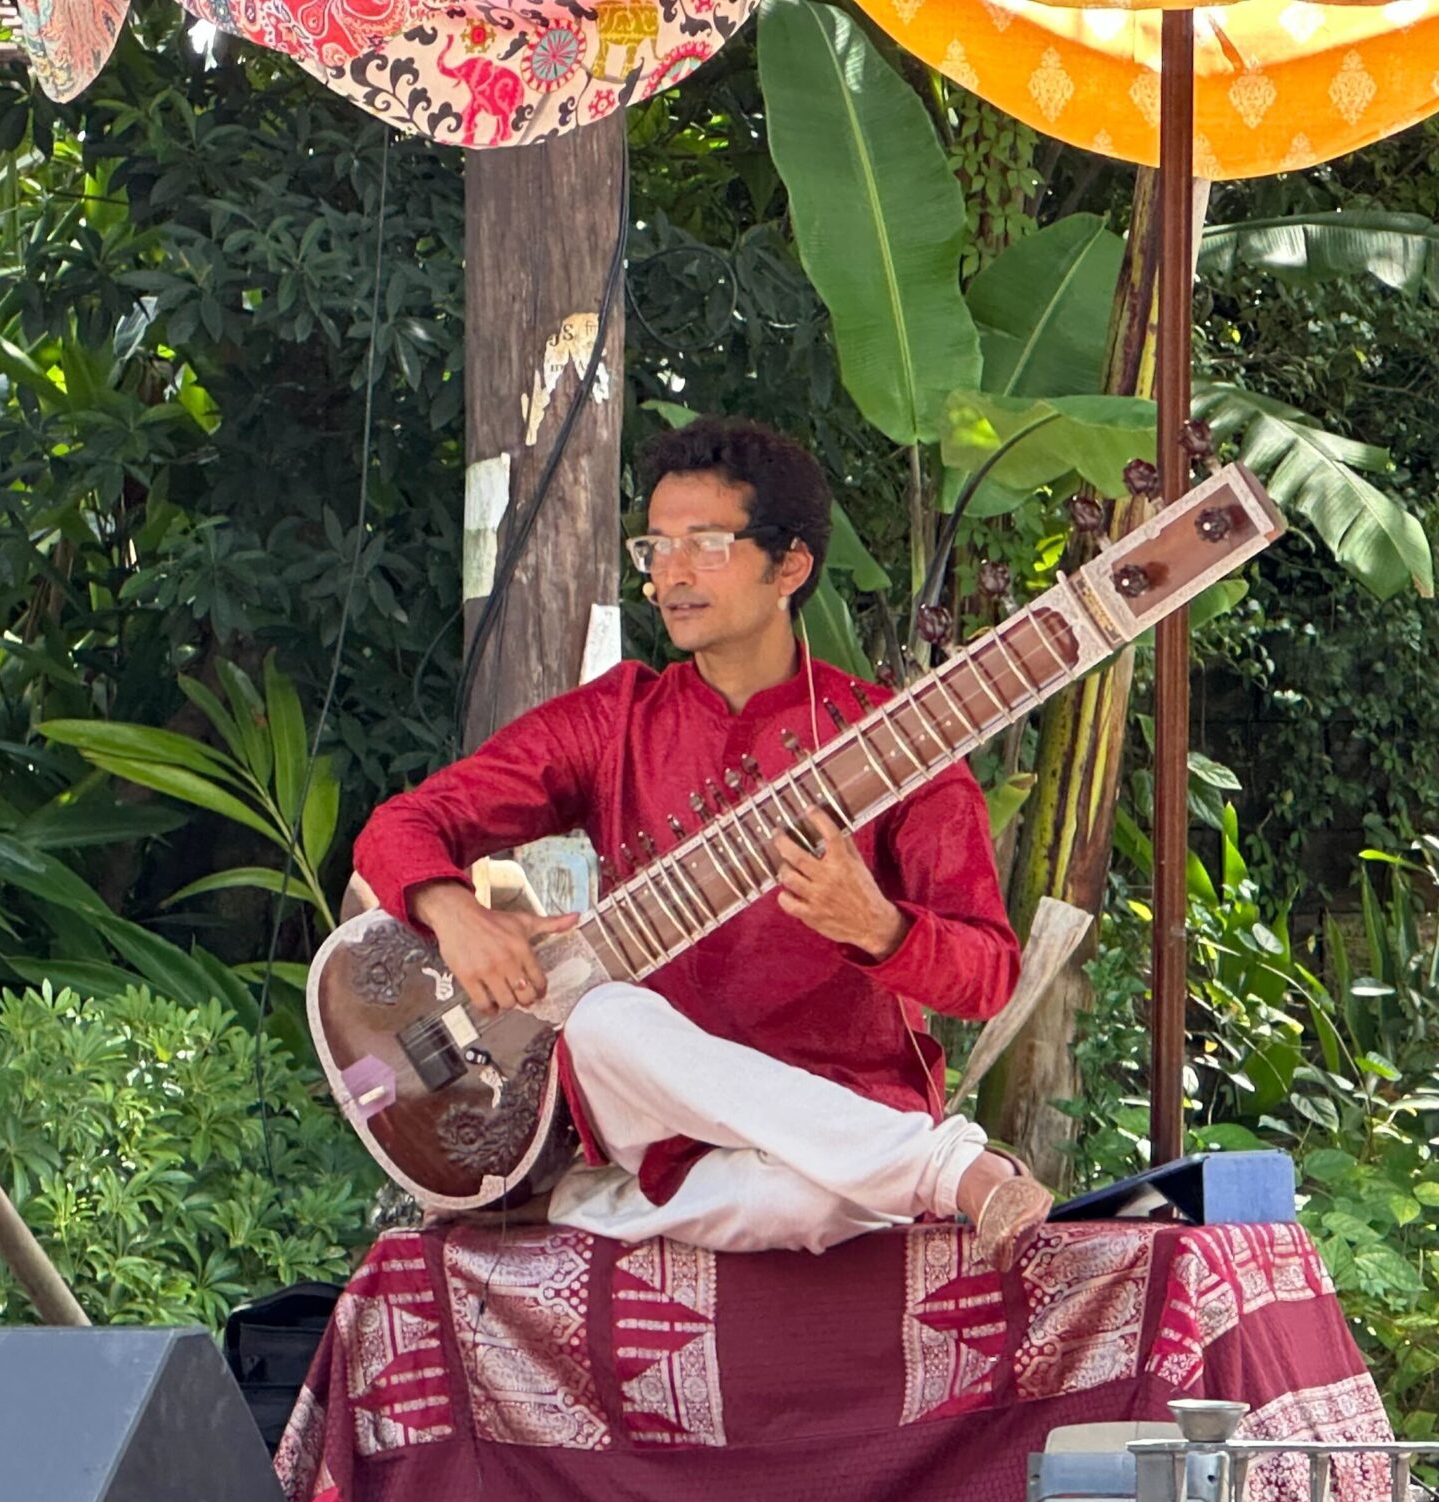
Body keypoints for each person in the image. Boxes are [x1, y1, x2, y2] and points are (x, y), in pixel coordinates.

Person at [353, 415, 1049, 1259]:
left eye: (706, 546)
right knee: (604, 1019)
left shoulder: (894, 745)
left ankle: (581, 1205)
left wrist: (879, 929)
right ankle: (952, 1174)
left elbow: (988, 975)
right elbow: (404, 824)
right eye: (655, 550)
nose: (669, 577)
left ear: (789, 564)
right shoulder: (616, 722)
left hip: (846, 1106)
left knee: (799, 1201)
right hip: (654, 1110)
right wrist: (450, 908)